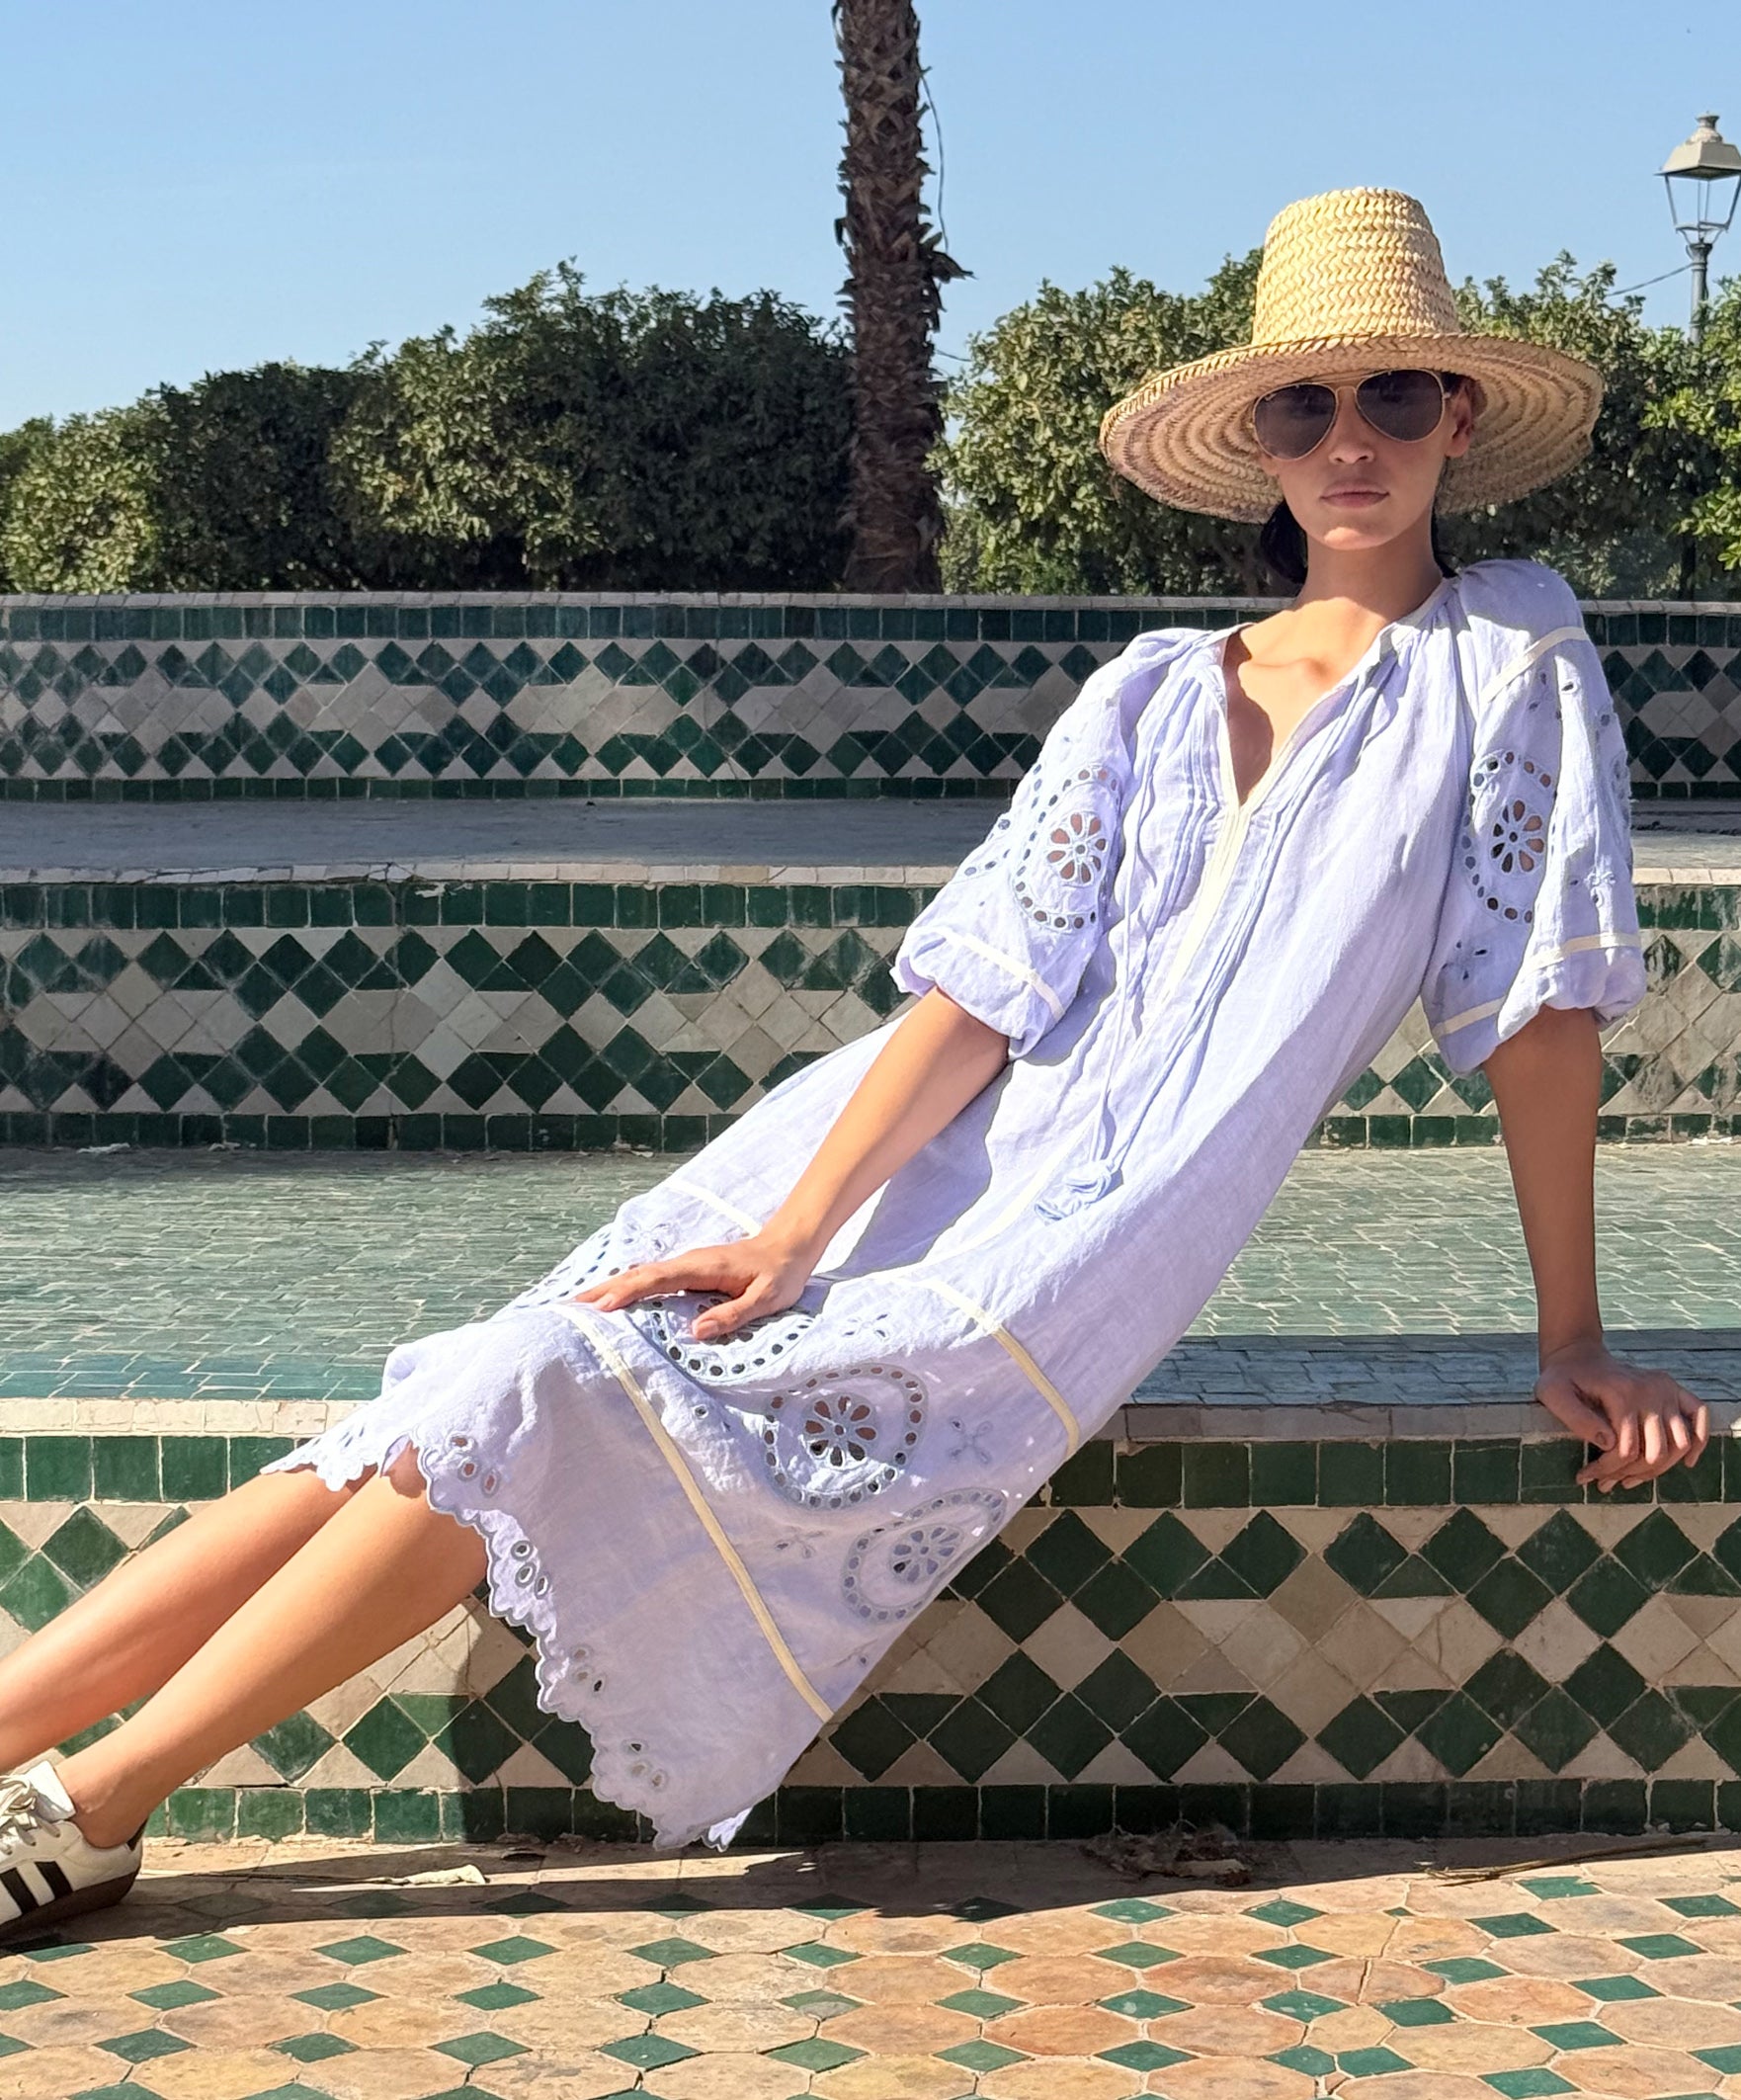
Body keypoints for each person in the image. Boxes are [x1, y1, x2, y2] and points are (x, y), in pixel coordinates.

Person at [0, 187, 1708, 1935]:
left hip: (1061, 1252)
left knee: (537, 1397)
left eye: (1394, 399)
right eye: (1304, 407)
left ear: (1461, 418)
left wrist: (1567, 1332)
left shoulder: (1509, 665)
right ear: (1259, 448)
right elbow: (979, 988)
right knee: (437, 1406)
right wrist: (796, 1224)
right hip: (888, 1156)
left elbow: (1536, 1002)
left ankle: (100, 1804)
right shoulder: (1142, 692)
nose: (1350, 442)